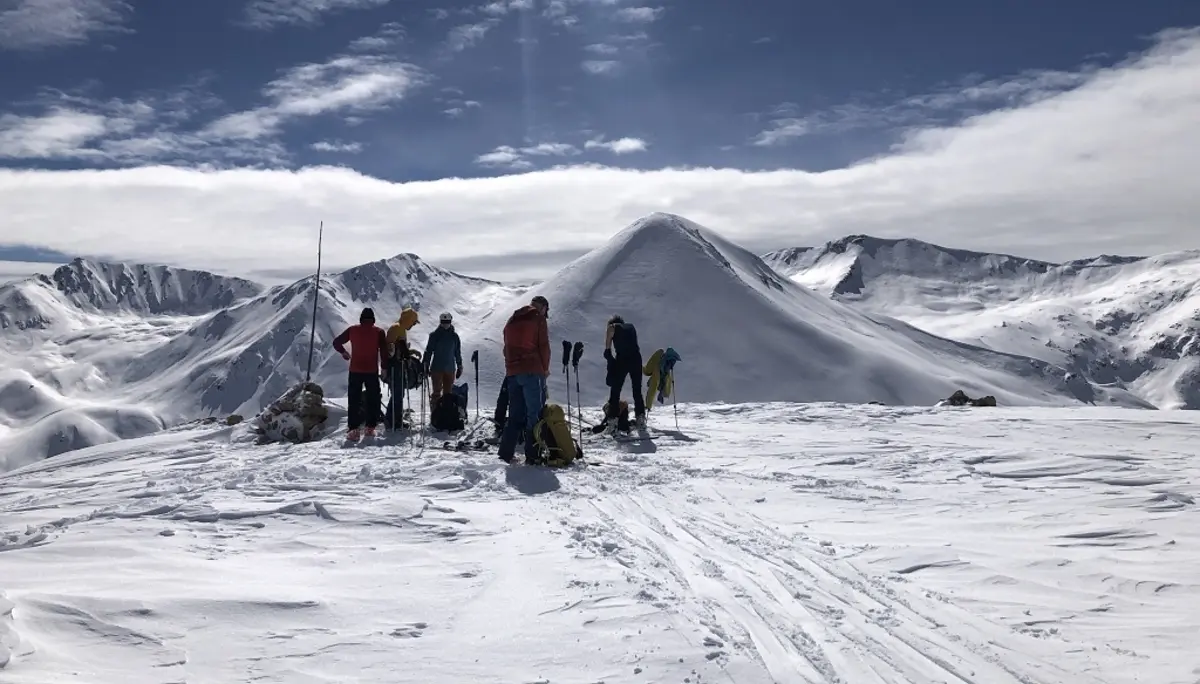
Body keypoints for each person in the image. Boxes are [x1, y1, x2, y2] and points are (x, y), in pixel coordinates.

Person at [497, 295, 551, 464]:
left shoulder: (513, 318)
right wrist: (545, 369)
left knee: (515, 414)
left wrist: (511, 367)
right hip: (532, 370)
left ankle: (506, 452)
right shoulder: (538, 318)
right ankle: (533, 455)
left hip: (513, 372)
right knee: (534, 414)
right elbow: (543, 345)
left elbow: (506, 347)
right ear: (543, 307)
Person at [333, 307, 388, 440]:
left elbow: (336, 342)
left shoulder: (352, 330)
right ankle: (370, 428)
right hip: (371, 371)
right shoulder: (379, 332)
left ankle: (353, 430)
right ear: (373, 320)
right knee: (373, 399)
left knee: (354, 400)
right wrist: (384, 368)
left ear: (361, 318)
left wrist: (344, 353)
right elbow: (384, 352)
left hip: (355, 370)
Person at [604, 314, 646, 429]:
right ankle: (640, 418)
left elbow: (610, 331)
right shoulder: (631, 327)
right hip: (637, 358)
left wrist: (607, 349)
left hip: (623, 359)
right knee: (637, 390)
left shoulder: (612, 327)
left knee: (615, 390)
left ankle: (613, 420)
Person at [383, 307, 419, 430]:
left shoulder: (399, 328)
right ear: (409, 320)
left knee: (399, 394)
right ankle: (392, 421)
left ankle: (394, 420)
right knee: (397, 393)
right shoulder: (397, 328)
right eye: (413, 322)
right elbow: (390, 349)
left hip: (397, 366)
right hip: (395, 367)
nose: (413, 325)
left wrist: (408, 352)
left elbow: (399, 348)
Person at [423, 312, 464, 405]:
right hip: (437, 368)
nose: (445, 324)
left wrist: (460, 365)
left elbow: (457, 352)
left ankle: (446, 415)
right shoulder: (434, 335)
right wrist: (425, 364)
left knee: (448, 394)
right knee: (436, 394)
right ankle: (435, 415)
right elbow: (428, 351)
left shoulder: (454, 336)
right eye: (443, 321)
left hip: (449, 369)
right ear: (440, 322)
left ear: (450, 322)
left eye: (447, 321)